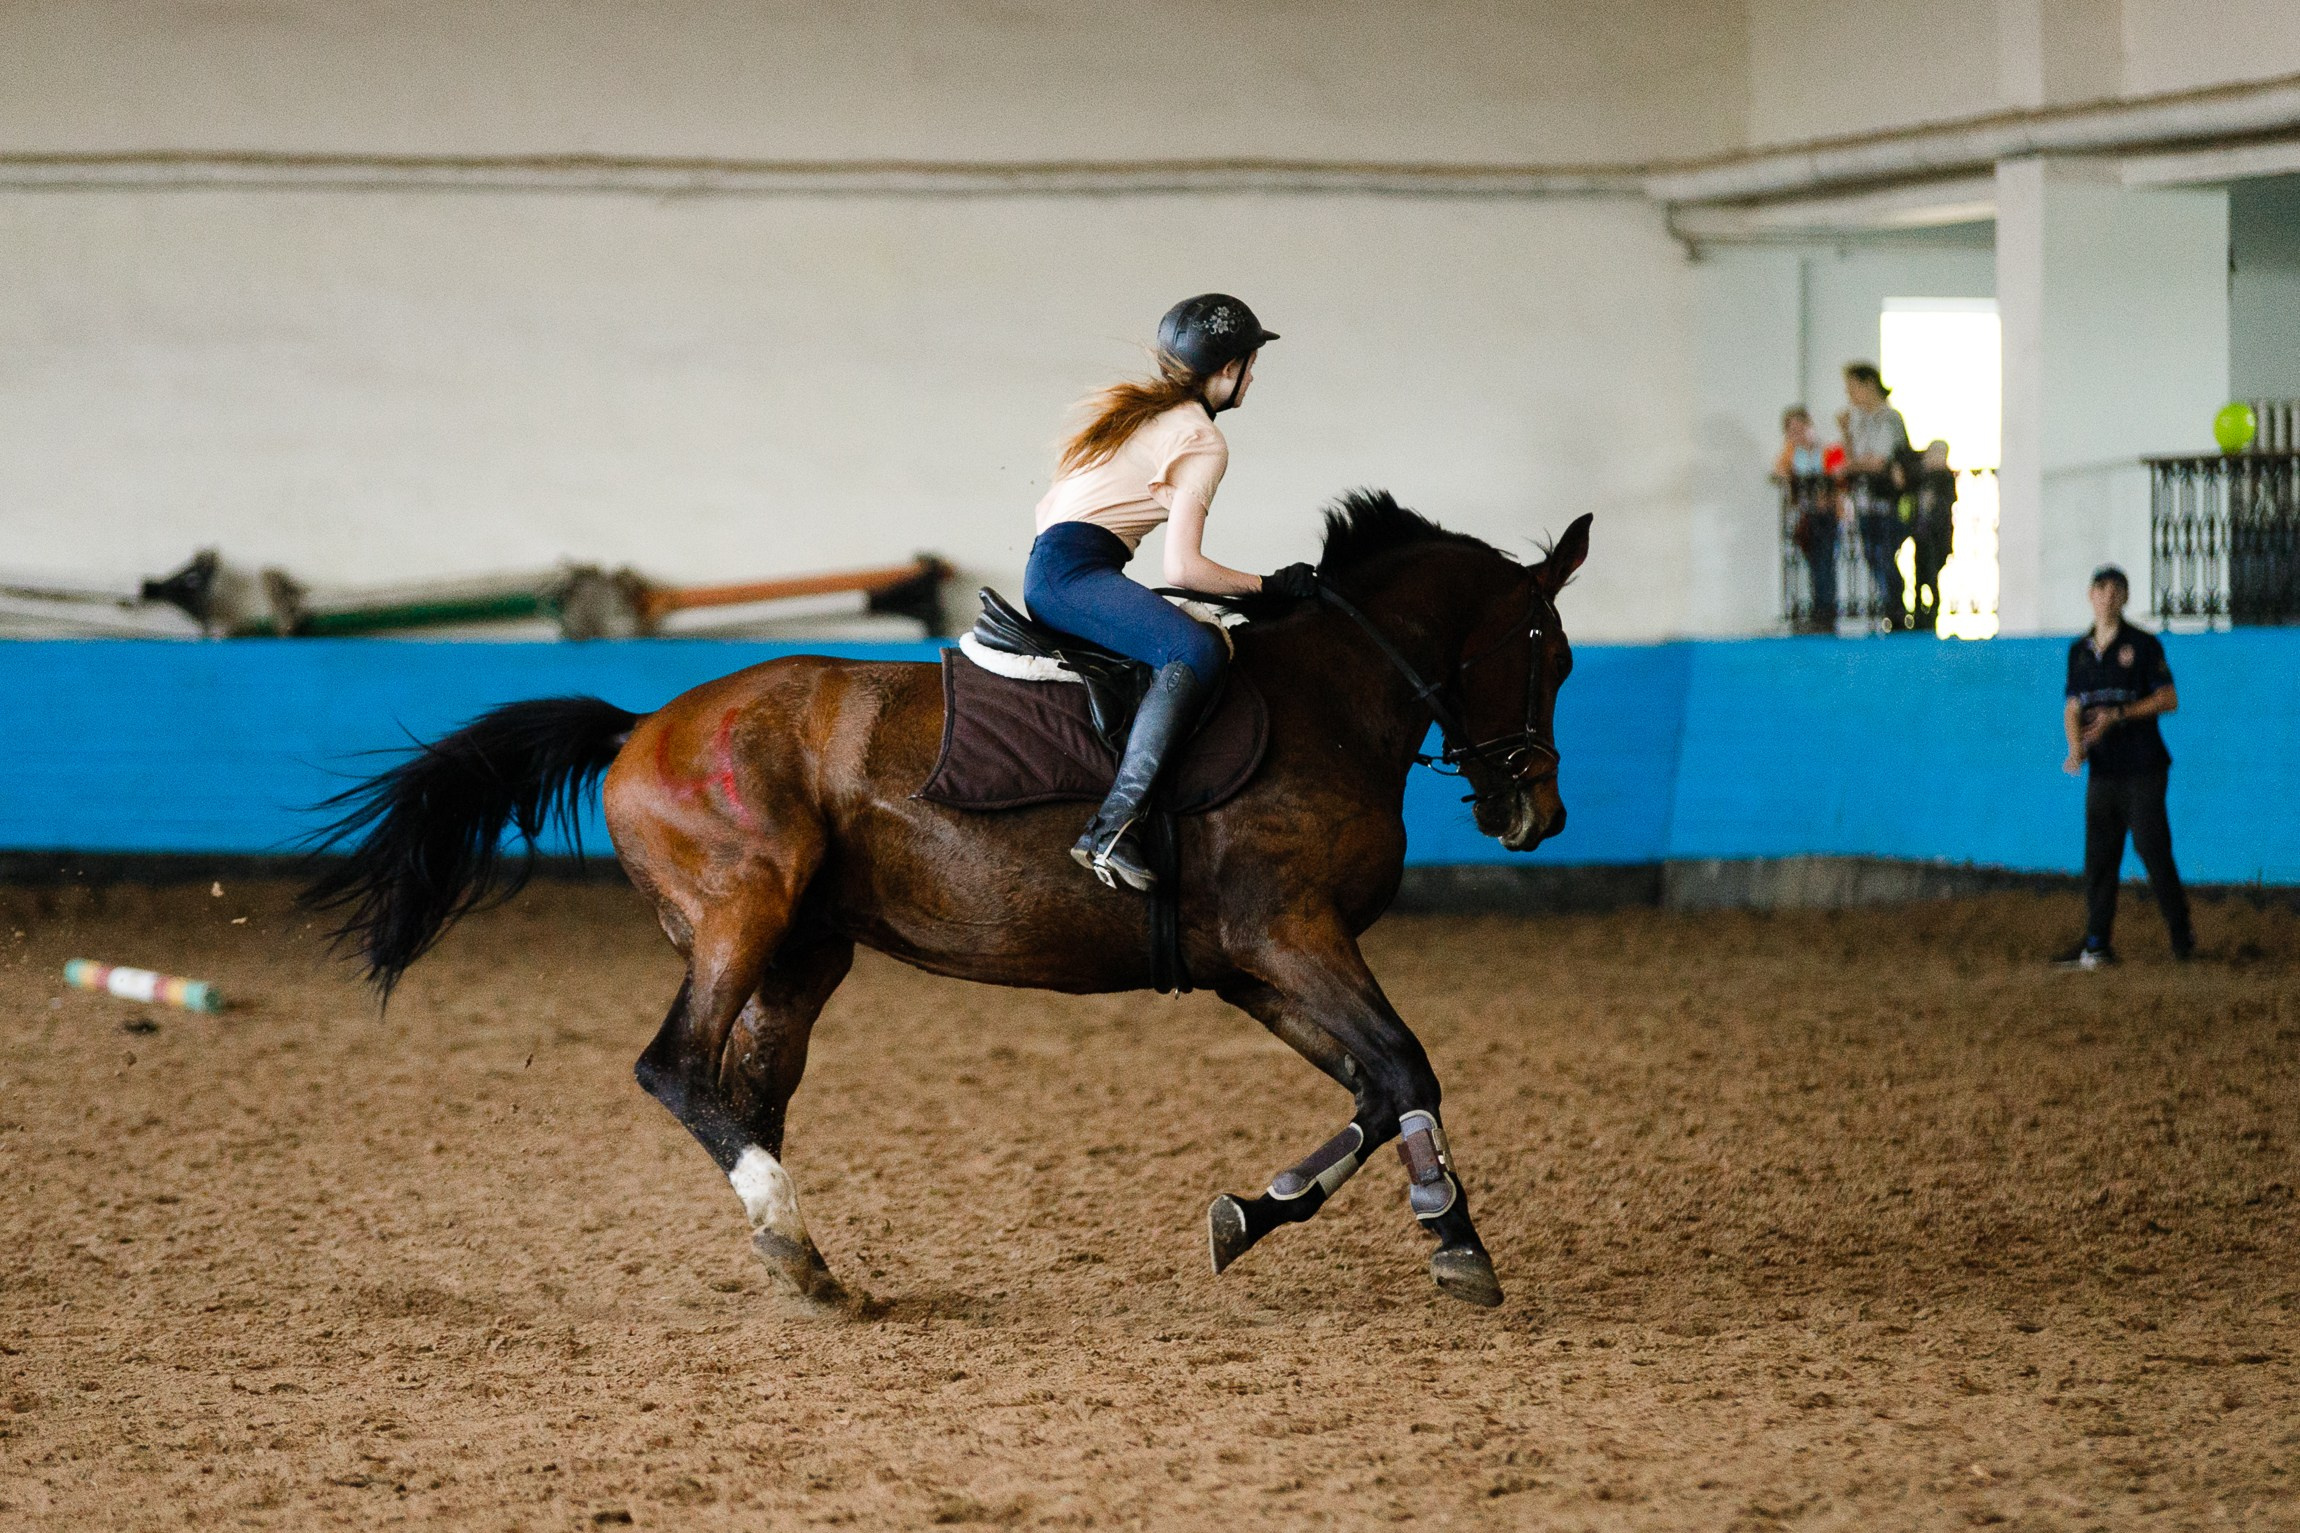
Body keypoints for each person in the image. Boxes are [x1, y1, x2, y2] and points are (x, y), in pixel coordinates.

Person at [1025, 294, 1317, 892]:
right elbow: (1184, 569)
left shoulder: (1133, 415)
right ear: (1228, 369)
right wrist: (1271, 586)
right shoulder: (1202, 440)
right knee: (1197, 649)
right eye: (1250, 365)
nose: (1253, 378)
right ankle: (1112, 827)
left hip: (1063, 566)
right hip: (1076, 574)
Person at [2056, 565, 2194, 968]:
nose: (2108, 595)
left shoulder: (2144, 646)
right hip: (2103, 771)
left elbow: (2168, 699)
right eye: (2101, 588)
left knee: (2152, 848)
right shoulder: (2079, 652)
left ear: (2126, 597)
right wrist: (2076, 748)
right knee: (2099, 855)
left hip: (2144, 767)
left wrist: (2121, 714)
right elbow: (2072, 708)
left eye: (2117, 589)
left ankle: (2180, 933)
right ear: (2090, 595)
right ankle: (2097, 942)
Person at [1834, 363, 1912, 629]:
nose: (1850, 396)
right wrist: (1845, 432)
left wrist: (1851, 467)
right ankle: (1888, 609)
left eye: (1852, 388)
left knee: (1884, 555)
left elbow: (1878, 461)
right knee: (1872, 555)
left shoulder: (1888, 419)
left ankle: (1898, 612)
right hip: (1866, 504)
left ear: (1869, 385)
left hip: (1887, 504)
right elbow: (1855, 456)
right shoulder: (1861, 421)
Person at [1774, 406, 1841, 632]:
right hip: (1806, 515)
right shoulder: (1791, 453)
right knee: (1813, 562)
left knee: (1826, 561)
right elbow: (1779, 469)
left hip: (1827, 514)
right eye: (1792, 430)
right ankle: (1817, 607)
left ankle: (1827, 609)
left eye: (1801, 427)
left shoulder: (1827, 449)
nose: (1798, 434)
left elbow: (1839, 472)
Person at [1908, 439, 1958, 632]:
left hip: (1936, 538)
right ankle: (1920, 612)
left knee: (1931, 575)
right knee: (1920, 575)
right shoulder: (1923, 479)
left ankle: (1932, 611)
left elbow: (1943, 511)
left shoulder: (1944, 479)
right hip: (1922, 536)